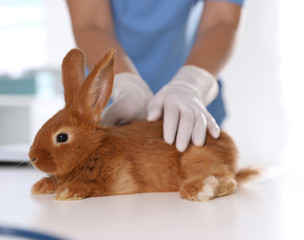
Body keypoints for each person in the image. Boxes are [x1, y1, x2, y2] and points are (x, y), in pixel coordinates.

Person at [66, 0, 243, 152]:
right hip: (112, 105)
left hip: (189, 107)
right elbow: (90, 23)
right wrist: (126, 85)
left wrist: (191, 83)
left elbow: (222, 20)